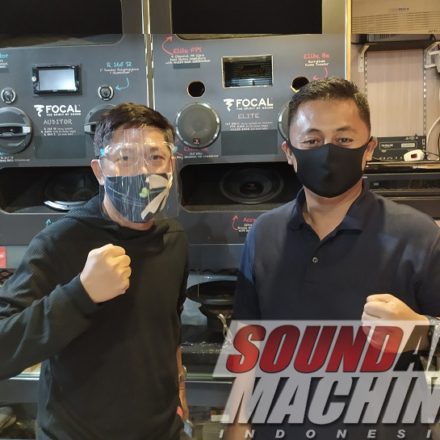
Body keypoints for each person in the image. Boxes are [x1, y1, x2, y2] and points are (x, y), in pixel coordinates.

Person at [230, 78, 440, 438]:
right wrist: (235, 426)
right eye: (312, 141)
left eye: (343, 140)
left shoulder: (419, 234)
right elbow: (249, 338)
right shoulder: (264, 233)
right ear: (289, 153)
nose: (327, 153)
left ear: (369, 149)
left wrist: (422, 332)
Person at [0, 103, 190, 440]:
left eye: (155, 157)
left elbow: (169, 327)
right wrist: (80, 295)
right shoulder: (59, 242)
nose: (142, 171)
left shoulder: (173, 239)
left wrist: (180, 390)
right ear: (100, 171)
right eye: (125, 158)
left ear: (171, 165)